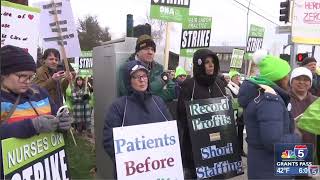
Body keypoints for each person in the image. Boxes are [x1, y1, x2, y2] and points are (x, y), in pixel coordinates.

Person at [0, 45, 71, 177]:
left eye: (31, 77)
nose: (27, 82)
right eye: (22, 76)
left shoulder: (40, 92)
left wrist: (63, 123)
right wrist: (32, 126)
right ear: (3, 74)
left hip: (48, 169)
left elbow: (56, 114)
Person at [238, 50, 301, 179]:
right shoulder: (270, 100)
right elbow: (273, 142)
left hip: (264, 167)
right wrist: (296, 137)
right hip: (271, 170)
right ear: (281, 77)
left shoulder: (262, 96)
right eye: (287, 75)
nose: (288, 78)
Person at [103, 60, 173, 177]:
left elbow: (171, 133)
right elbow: (109, 141)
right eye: (136, 77)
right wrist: (130, 163)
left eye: (144, 75)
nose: (142, 80)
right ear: (128, 81)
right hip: (132, 171)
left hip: (158, 168)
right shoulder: (118, 106)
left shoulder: (158, 102)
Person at [177, 48, 227, 178]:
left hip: (218, 146)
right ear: (199, 65)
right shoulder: (189, 85)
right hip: (196, 147)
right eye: (207, 62)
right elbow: (182, 116)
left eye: (213, 62)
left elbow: (226, 113)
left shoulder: (220, 84)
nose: (211, 65)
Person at [118, 34, 176, 102]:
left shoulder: (158, 67)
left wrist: (150, 96)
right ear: (137, 52)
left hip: (155, 110)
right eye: (146, 49)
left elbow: (173, 91)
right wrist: (161, 82)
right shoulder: (126, 69)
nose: (150, 52)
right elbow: (132, 96)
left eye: (152, 49)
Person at [289, 67, 317, 165]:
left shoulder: (316, 101)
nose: (302, 82)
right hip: (288, 149)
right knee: (290, 175)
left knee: (308, 176)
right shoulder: (283, 99)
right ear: (291, 81)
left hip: (312, 147)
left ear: (310, 83)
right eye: (298, 79)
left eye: (306, 80)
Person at [225, 70, 246, 157]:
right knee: (231, 132)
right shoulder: (228, 87)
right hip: (232, 112)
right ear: (231, 78)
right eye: (235, 76)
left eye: (238, 76)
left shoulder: (242, 86)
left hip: (241, 112)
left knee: (240, 132)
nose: (238, 77)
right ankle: (232, 151)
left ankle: (240, 150)